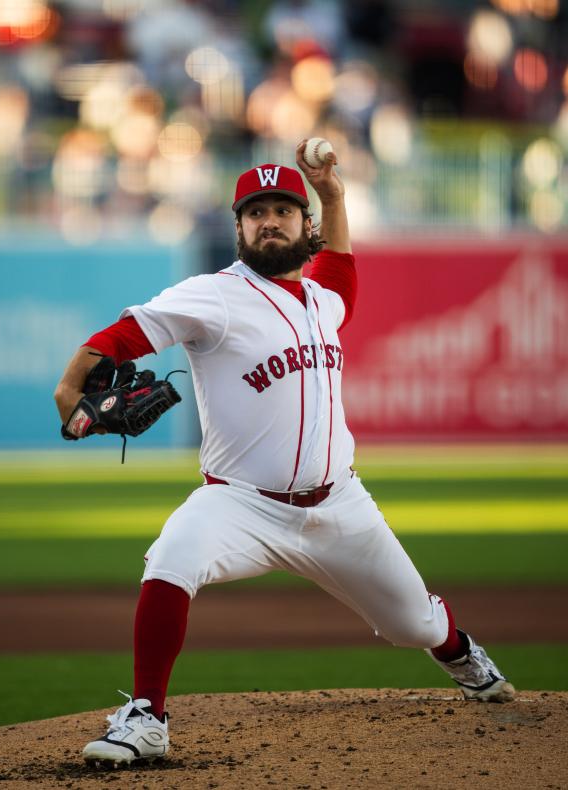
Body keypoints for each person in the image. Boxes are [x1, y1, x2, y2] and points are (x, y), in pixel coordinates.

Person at [54, 141, 515, 766]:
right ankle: (146, 717)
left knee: (414, 625)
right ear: (239, 228)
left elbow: (342, 270)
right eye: (255, 212)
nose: (269, 221)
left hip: (340, 505)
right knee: (171, 555)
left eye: (282, 210)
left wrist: (333, 194)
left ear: (305, 225)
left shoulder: (324, 301)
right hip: (241, 504)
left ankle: (459, 652)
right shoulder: (214, 295)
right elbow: (129, 331)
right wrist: (72, 382)